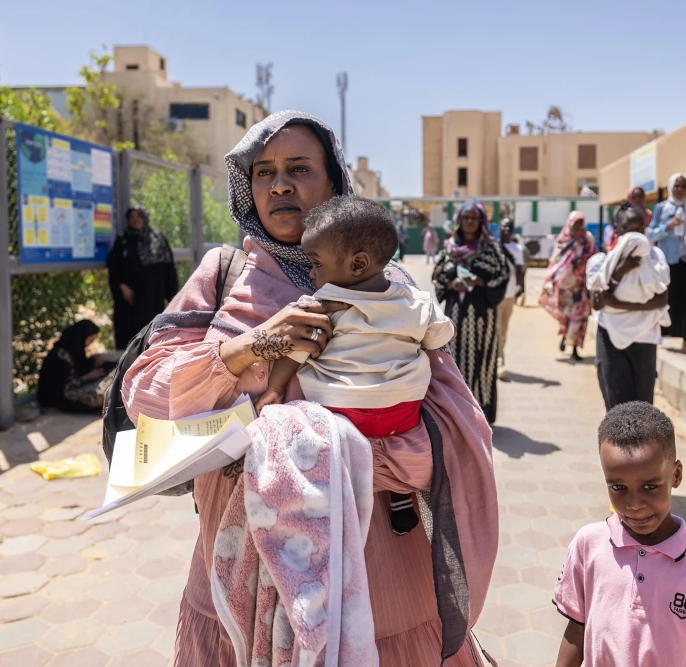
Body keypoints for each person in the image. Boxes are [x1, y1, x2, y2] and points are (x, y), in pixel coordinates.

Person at [121, 111, 498, 666]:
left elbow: (457, 434)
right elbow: (147, 396)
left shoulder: (394, 290)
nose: (279, 184)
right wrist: (252, 347)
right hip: (239, 575)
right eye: (263, 172)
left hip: (380, 581)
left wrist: (331, 460)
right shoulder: (224, 274)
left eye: (299, 168)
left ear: (334, 182)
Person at [254, 196, 455, 537]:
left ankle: (328, 508)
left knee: (301, 434)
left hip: (340, 412)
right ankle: (401, 494)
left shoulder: (324, 305)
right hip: (401, 412)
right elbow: (439, 338)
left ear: (358, 264)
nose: (312, 273)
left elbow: (295, 352)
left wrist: (273, 390)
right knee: (397, 453)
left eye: (316, 263)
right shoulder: (415, 301)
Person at [554, 401, 686, 667]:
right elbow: (576, 630)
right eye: (618, 487)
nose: (634, 504)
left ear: (676, 475)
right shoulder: (588, 545)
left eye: (650, 486)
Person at [432, 199, 510, 424]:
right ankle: (456, 412)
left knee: (481, 360)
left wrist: (481, 281)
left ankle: (481, 412)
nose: (469, 222)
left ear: (481, 221)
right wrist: (450, 283)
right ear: (459, 220)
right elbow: (437, 275)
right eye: (466, 218)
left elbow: (503, 275)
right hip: (455, 313)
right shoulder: (449, 247)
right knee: (453, 360)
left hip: (481, 317)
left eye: (474, 218)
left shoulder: (491, 247)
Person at [588, 204, 670, 410]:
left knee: (642, 408)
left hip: (645, 337)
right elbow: (597, 303)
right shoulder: (602, 261)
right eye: (628, 229)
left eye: (639, 229)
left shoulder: (654, 258)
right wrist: (619, 272)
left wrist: (616, 304)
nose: (634, 235)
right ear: (616, 229)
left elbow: (661, 300)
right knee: (616, 408)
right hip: (610, 337)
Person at [648, 173, 686, 355]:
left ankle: (685, 341)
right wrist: (668, 227)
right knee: (667, 299)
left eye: (683, 186)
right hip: (669, 262)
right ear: (670, 188)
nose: (680, 190)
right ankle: (660, 337)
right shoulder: (661, 208)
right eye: (677, 186)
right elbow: (651, 234)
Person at [107, 204, 179, 348]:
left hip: (152, 300)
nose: (135, 220)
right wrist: (121, 286)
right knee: (128, 340)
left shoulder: (158, 239)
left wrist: (173, 299)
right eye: (132, 217)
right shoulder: (123, 240)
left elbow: (169, 270)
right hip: (129, 302)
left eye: (138, 216)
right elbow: (113, 267)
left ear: (144, 218)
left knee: (152, 338)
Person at [540, 211, 598, 362]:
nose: (578, 226)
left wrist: (583, 262)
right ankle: (565, 337)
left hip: (581, 286)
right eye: (575, 223)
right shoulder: (562, 240)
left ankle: (575, 348)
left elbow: (595, 257)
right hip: (565, 287)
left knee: (579, 317)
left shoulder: (588, 239)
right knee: (565, 316)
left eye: (580, 223)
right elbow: (556, 260)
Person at [37, 319, 110, 414]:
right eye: (90, 340)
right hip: (58, 398)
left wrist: (94, 363)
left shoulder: (73, 350)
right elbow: (63, 386)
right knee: (106, 394)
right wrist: (87, 377)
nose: (89, 344)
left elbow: (80, 367)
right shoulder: (60, 357)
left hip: (70, 391)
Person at [497, 218, 525, 379]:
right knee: (495, 330)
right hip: (494, 295)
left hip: (509, 294)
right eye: (502, 227)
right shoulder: (493, 247)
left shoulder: (517, 249)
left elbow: (520, 270)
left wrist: (521, 286)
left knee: (504, 328)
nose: (504, 230)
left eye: (508, 227)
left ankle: (499, 357)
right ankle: (499, 363)